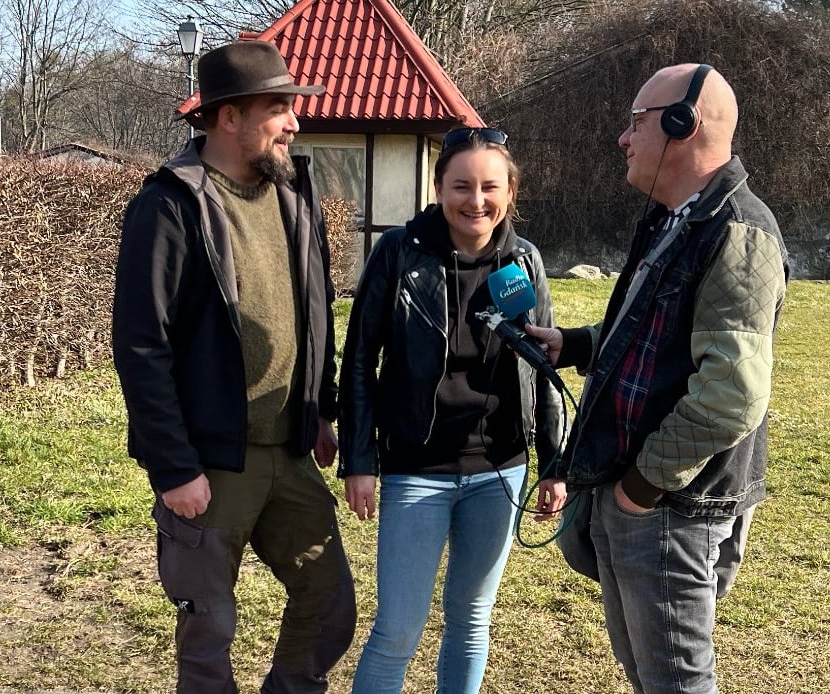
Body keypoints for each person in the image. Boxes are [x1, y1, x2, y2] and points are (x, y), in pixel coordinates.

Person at [525, 63, 789, 694]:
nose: (623, 137)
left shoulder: (737, 232)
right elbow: (656, 334)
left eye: (636, 121)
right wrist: (576, 344)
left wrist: (640, 489)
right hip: (642, 493)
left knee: (676, 681)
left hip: (672, 503)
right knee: (648, 672)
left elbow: (731, 396)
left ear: (682, 124)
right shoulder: (679, 218)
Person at [111, 40, 355, 694]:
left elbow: (315, 313)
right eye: (278, 107)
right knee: (208, 628)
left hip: (290, 450)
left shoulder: (294, 194)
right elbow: (140, 346)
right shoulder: (168, 207)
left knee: (330, 604)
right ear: (228, 117)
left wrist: (320, 410)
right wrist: (173, 466)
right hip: (211, 463)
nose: (294, 122)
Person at [338, 127, 566, 694]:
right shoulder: (398, 253)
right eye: (461, 186)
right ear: (438, 188)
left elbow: (540, 362)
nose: (476, 200)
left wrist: (554, 461)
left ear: (511, 192)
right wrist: (359, 458)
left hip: (500, 468)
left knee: (471, 621)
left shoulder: (525, 261)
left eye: (491, 186)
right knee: (396, 630)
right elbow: (360, 358)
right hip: (418, 468)